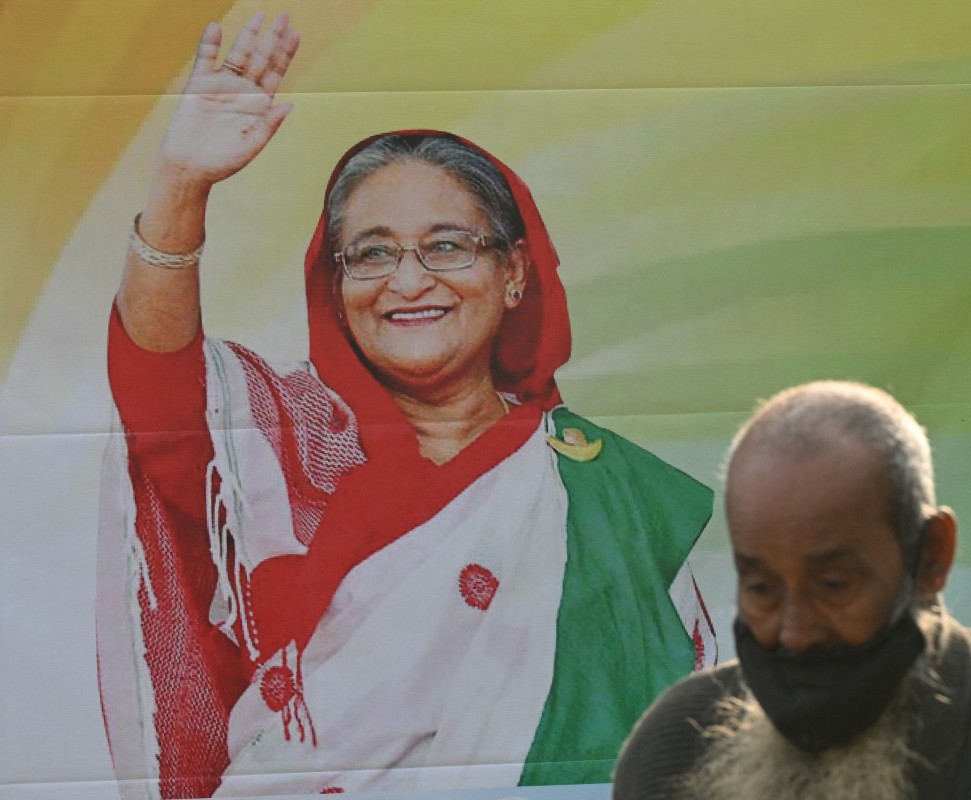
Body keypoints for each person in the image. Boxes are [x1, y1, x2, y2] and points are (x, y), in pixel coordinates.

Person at [96, 13, 715, 799]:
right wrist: (180, 182)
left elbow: (691, 736)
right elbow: (156, 392)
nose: (409, 280)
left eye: (447, 245)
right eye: (374, 252)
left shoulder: (614, 493)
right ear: (338, 283)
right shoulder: (290, 443)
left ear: (514, 271)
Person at [612, 381, 971, 800]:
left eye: (833, 584)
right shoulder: (676, 746)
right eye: (761, 588)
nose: (796, 631)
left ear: (931, 556)